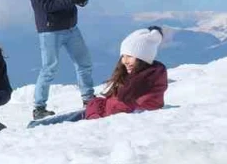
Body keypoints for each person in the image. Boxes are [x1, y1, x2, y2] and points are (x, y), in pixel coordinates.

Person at [29, 27, 168, 127]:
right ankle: (36, 125)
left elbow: (120, 110)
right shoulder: (141, 77)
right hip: (97, 110)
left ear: (144, 58)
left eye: (130, 56)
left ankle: (36, 126)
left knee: (48, 125)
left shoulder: (143, 82)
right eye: (123, 56)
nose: (125, 61)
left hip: (97, 114)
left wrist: (95, 110)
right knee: (47, 123)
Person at [28, 0, 95, 121]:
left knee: (84, 62)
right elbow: (45, 5)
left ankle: (89, 99)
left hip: (71, 26)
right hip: (50, 30)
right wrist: (72, 0)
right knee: (49, 68)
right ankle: (39, 107)